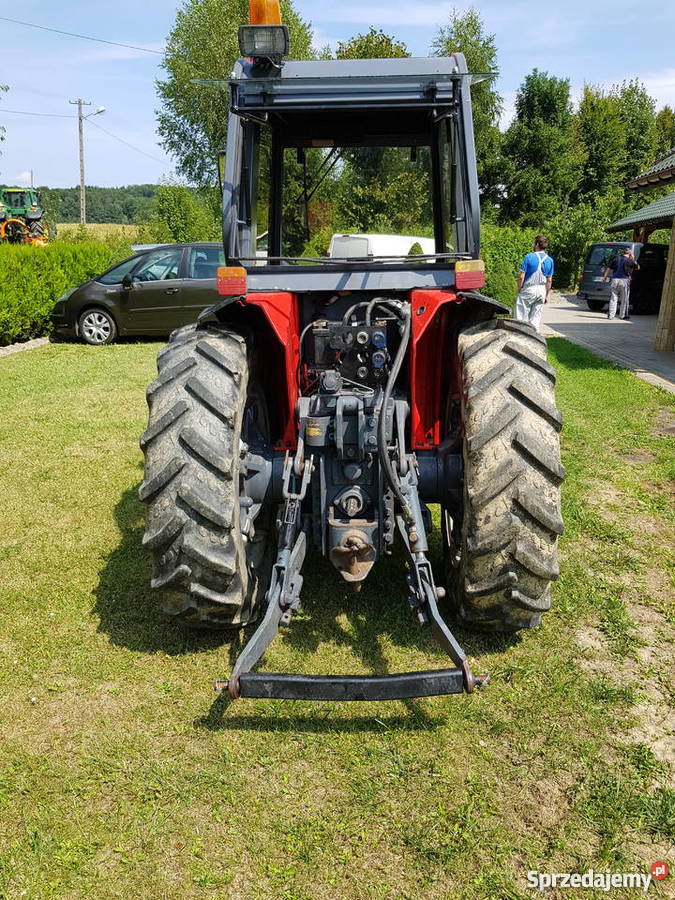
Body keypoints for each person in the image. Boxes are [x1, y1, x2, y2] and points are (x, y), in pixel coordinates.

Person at [515, 235, 554, 332]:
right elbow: (549, 280)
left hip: (529, 289)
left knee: (521, 318)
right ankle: (534, 340)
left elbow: (521, 277)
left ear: (536, 244)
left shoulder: (529, 257)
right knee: (536, 319)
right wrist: (546, 295)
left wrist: (519, 289)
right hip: (541, 291)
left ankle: (520, 338)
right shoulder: (550, 260)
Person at [603, 247, 639, 320]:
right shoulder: (630, 260)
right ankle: (622, 315)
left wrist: (605, 277)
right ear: (629, 253)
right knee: (624, 299)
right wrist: (633, 258)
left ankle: (611, 315)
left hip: (615, 280)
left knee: (613, 298)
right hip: (624, 281)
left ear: (623, 253)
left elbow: (609, 268)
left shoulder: (616, 259)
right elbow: (638, 267)